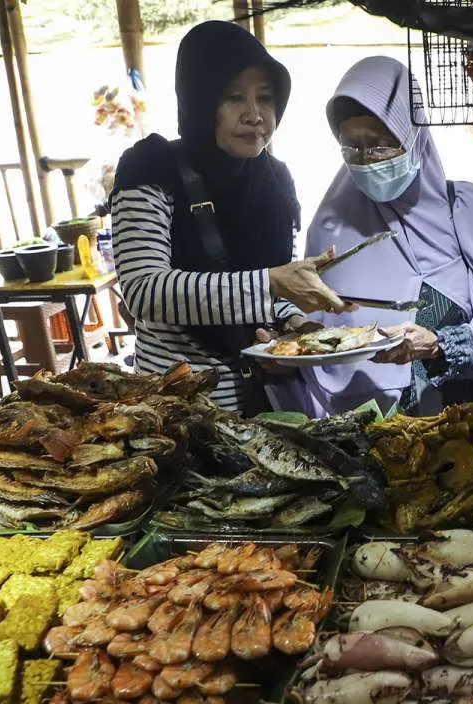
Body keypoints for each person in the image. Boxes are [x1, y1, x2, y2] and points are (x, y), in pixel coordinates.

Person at [110, 21, 349, 414]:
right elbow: (143, 290)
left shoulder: (277, 182)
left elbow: (273, 294)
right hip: (175, 407)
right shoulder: (150, 168)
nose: (255, 115)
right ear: (199, 100)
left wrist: (298, 329)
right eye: (235, 97)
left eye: (266, 98)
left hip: (260, 404)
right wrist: (271, 283)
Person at [291, 56, 473, 416]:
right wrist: (293, 331)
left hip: (460, 430)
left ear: (413, 135)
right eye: (351, 147)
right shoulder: (331, 226)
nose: (366, 160)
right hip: (362, 434)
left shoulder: (464, 210)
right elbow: (314, 333)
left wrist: (438, 345)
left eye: (380, 144)